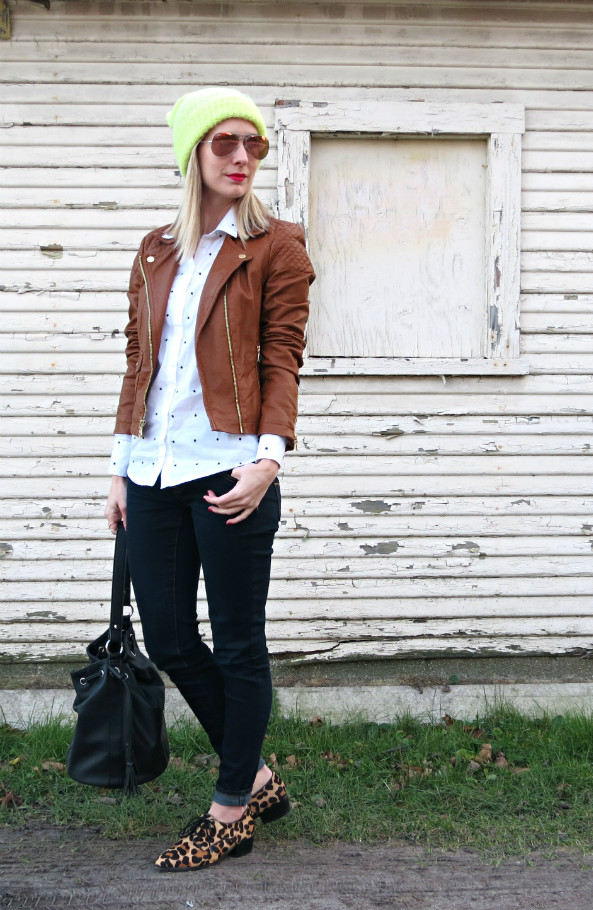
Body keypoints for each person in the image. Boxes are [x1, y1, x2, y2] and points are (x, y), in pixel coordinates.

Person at [104, 87, 315, 871]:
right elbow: (140, 364)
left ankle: (231, 808)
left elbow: (283, 355)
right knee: (166, 635)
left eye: (253, 146)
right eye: (224, 142)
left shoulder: (276, 246)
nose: (240, 157)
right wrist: (122, 467)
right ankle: (255, 772)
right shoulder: (157, 247)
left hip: (232, 469)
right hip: (155, 470)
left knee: (237, 644)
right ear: (192, 152)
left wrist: (268, 459)